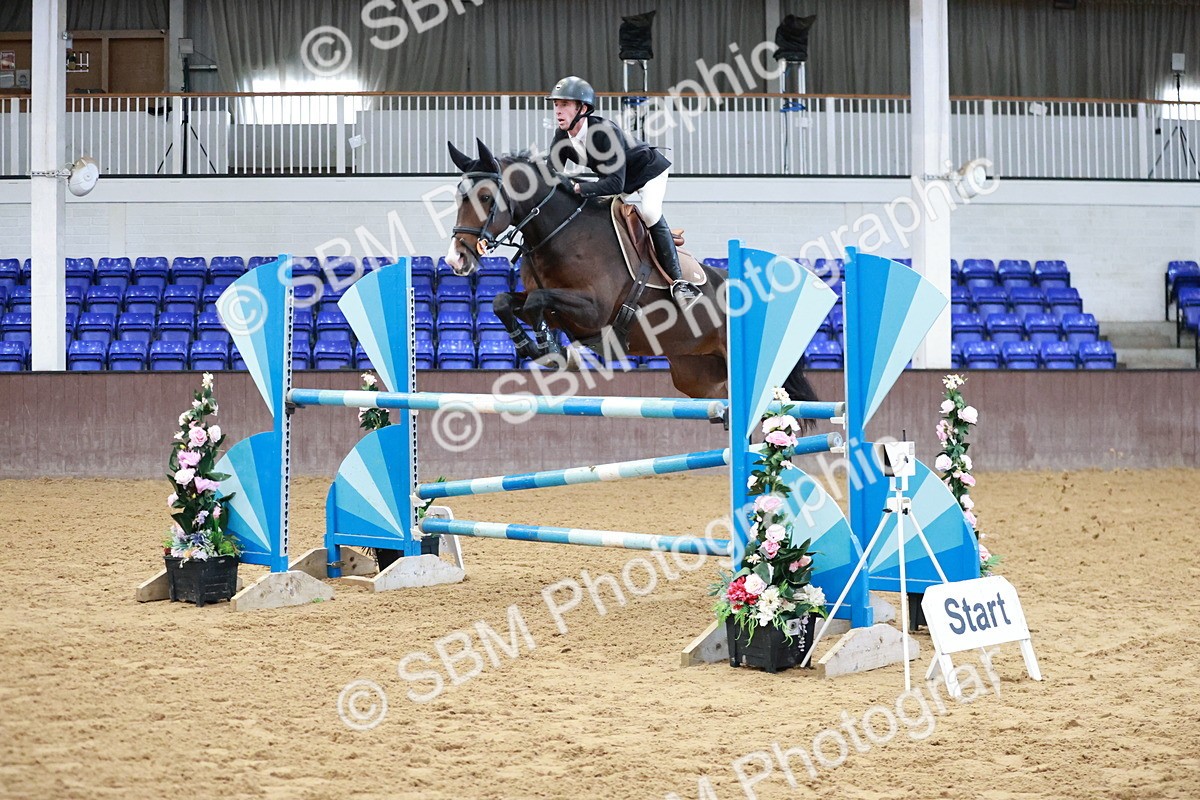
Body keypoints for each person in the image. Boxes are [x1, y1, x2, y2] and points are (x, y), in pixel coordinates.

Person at [545, 75, 701, 309]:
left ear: (583, 108)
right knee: (594, 214)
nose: (558, 110)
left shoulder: (603, 132)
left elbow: (615, 185)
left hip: (648, 172)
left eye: (565, 104)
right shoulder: (562, 137)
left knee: (649, 212)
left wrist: (578, 187)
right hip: (618, 178)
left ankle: (679, 283)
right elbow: (551, 177)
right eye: (556, 104)